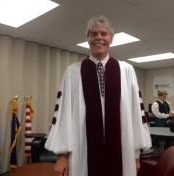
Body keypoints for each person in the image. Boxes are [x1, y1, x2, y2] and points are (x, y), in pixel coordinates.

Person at [45, 15, 151, 176]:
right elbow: (63, 114)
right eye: (93, 34)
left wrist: (136, 155)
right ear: (88, 39)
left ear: (111, 39)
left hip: (122, 154)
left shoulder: (126, 70)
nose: (98, 38)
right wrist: (62, 156)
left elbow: (136, 114)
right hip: (83, 154)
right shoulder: (73, 72)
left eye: (104, 33)